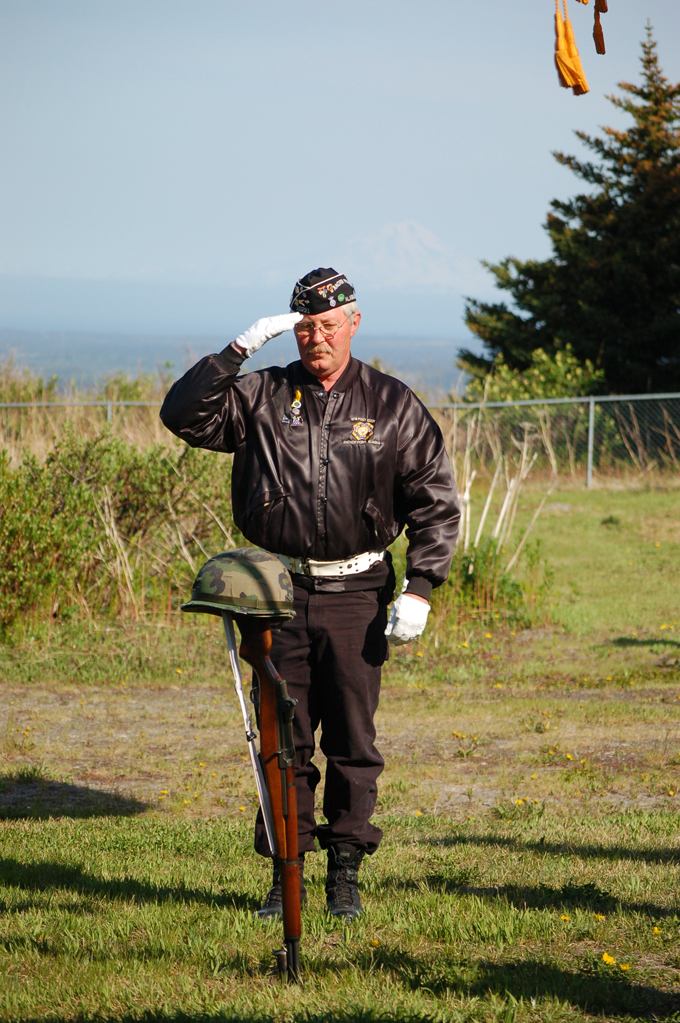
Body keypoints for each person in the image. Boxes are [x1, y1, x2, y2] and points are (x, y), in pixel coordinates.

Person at [160, 267, 459, 920]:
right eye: (303, 328)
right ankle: (285, 872)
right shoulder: (262, 395)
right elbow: (181, 416)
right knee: (282, 737)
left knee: (353, 738)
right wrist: (236, 352)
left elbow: (435, 500)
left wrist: (422, 587)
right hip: (274, 589)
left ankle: (344, 872)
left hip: (359, 592)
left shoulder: (392, 404)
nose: (315, 339)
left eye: (327, 325)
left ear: (354, 321)